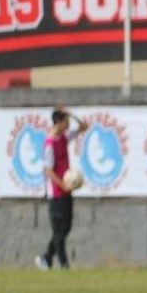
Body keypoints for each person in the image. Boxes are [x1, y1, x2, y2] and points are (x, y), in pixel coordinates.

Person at [37, 107, 84, 271]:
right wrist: (61, 184)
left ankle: (46, 258)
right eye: (66, 121)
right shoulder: (50, 143)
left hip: (66, 190)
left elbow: (84, 127)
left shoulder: (64, 137)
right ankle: (64, 264)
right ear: (59, 122)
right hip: (55, 193)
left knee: (66, 227)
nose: (69, 123)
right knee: (58, 229)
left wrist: (72, 114)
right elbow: (48, 170)